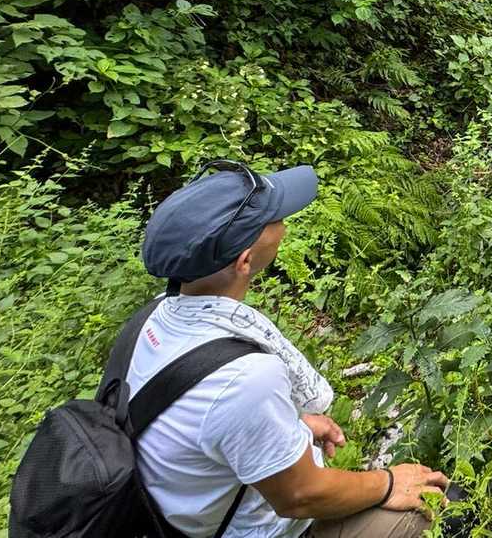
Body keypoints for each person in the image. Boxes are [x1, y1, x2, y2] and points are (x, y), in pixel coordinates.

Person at [131, 159, 449, 537]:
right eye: (274, 219)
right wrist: (390, 482)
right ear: (245, 260)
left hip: (175, 511)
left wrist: (289, 425)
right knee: (434, 509)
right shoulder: (244, 378)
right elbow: (300, 496)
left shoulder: (154, 319)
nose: (283, 223)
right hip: (261, 526)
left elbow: (197, 422)